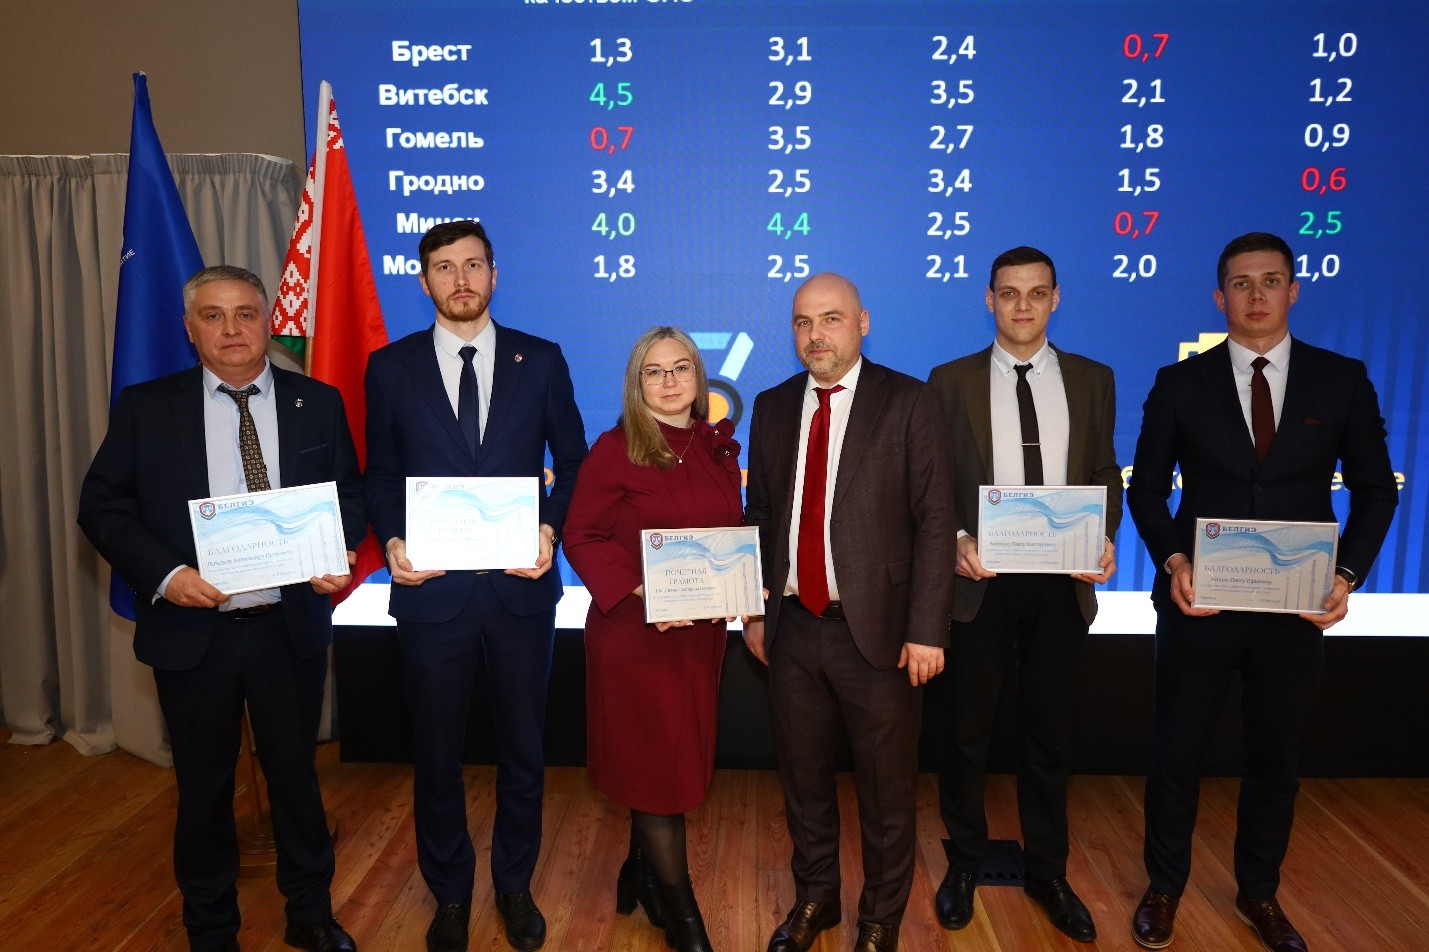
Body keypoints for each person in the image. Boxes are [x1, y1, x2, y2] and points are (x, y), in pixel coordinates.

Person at [77, 265, 364, 952]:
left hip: (287, 629)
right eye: (213, 316)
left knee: (296, 780)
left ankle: (310, 914)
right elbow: (102, 506)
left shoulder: (317, 402)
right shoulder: (147, 407)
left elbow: (348, 495)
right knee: (203, 789)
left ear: (267, 321)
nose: (231, 329)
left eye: (245, 314)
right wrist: (167, 575)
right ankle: (210, 928)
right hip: (192, 632)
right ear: (189, 328)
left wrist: (338, 548)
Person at [1126, 233, 1398, 952]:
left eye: (1270, 281)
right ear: (1219, 297)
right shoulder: (1179, 382)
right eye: (1241, 283)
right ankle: (1163, 888)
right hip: (1199, 605)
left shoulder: (1341, 380)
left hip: (1293, 608)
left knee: (1275, 761)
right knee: (1175, 754)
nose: (1255, 295)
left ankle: (1258, 894)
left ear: (1293, 291)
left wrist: (1346, 575)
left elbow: (1376, 489)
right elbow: (1146, 489)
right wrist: (1173, 560)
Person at [363, 220, 587, 952]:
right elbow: (380, 473)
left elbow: (574, 462)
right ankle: (451, 893)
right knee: (436, 755)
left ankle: (514, 885)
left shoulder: (540, 359)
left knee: (523, 749)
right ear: (423, 280)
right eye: (443, 267)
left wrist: (549, 530)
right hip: (432, 595)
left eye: (472, 265)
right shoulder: (389, 367)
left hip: (521, 591)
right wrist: (393, 540)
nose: (460, 279)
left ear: (494, 274)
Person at [742, 273, 956, 952]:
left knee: (887, 793)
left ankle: (879, 919)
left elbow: (935, 520)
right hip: (792, 629)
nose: (816, 335)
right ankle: (817, 899)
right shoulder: (773, 405)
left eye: (831, 319)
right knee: (802, 781)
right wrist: (752, 610)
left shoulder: (909, 401)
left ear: (862, 322)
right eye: (803, 322)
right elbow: (760, 515)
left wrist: (926, 630)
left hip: (882, 637)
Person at [926, 246, 1121, 943]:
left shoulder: (1094, 379)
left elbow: (1105, 472)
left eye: (1036, 293)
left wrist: (1103, 536)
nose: (1022, 306)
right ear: (988, 300)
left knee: (1051, 737)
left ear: (1055, 299)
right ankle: (963, 863)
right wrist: (955, 539)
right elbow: (932, 483)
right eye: (1009, 293)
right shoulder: (948, 381)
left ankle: (1048, 871)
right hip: (980, 585)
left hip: (1062, 586)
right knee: (965, 735)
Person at [562, 327, 744, 952]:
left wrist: (741, 581)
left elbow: (727, 536)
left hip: (699, 638)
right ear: (636, 383)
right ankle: (684, 916)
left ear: (699, 377)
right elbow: (581, 536)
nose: (669, 381)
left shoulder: (716, 447)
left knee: (673, 761)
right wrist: (645, 591)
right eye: (654, 371)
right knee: (659, 771)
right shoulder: (616, 450)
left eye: (681, 368)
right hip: (635, 637)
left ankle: (638, 870)